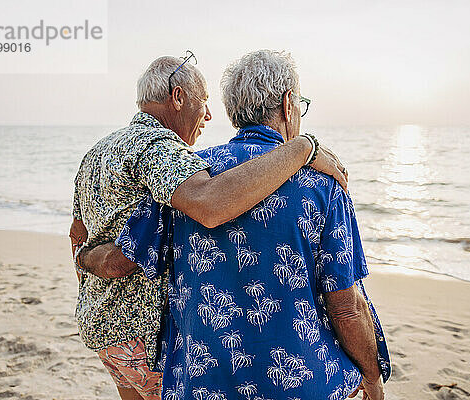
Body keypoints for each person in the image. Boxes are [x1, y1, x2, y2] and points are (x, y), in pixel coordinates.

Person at [84, 50, 390, 400]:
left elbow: (126, 255)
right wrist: (372, 376)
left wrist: (85, 255)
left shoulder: (188, 175)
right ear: (289, 104)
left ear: (233, 112)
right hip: (303, 384)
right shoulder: (323, 184)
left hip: (201, 383)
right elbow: (346, 305)